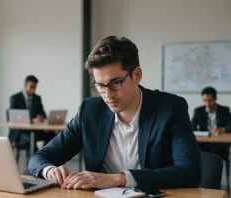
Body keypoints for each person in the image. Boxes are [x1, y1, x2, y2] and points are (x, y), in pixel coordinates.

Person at [28, 36, 201, 190]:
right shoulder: (89, 111)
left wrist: (118, 179)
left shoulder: (170, 108)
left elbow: (190, 171)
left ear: (137, 75)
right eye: (100, 86)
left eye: (115, 82)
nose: (108, 94)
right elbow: (39, 158)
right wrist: (50, 170)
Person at [9, 75, 56, 151]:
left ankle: (45, 155)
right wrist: (32, 121)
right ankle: (34, 160)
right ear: (25, 85)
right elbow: (13, 118)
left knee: (52, 135)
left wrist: (41, 117)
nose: (33, 90)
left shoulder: (37, 98)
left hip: (35, 131)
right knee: (32, 138)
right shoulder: (15, 98)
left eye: (35, 88)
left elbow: (43, 114)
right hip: (20, 132)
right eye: (31, 87)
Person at [192, 86, 231, 160]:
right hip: (203, 141)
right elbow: (191, 127)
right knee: (195, 149)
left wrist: (222, 129)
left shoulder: (225, 110)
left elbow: (230, 125)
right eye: (205, 100)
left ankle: (212, 170)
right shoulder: (198, 111)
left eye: (210, 100)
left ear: (215, 98)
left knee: (214, 152)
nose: (207, 103)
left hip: (220, 142)